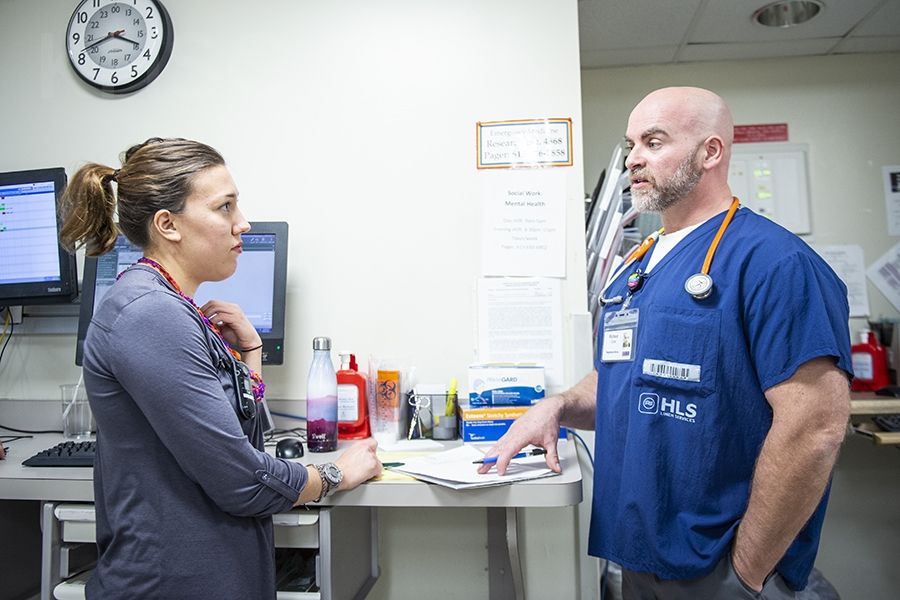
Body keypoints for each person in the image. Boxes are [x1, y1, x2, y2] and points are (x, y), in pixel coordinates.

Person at [481, 87, 852, 599]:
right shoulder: (637, 266)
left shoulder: (774, 262)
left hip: (720, 563)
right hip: (638, 552)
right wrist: (559, 406)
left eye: (654, 142)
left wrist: (746, 570)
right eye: (631, 143)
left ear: (711, 152)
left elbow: (815, 428)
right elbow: (620, 377)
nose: (634, 157)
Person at [59, 137, 382, 599]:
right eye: (225, 207)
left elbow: (229, 434)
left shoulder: (170, 305)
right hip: (170, 584)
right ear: (168, 224)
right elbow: (243, 481)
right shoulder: (150, 314)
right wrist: (335, 474)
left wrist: (249, 356)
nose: (242, 224)